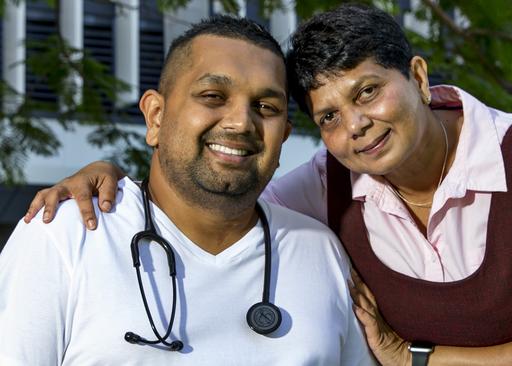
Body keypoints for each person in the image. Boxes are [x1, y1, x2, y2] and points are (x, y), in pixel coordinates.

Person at [23, 4, 512, 366]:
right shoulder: (324, 195)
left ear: (418, 75)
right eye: (329, 117)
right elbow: (212, 191)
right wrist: (108, 180)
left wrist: (408, 358)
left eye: (367, 92)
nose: (356, 125)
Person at [0, 15, 374, 366]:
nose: (242, 122)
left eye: (265, 106)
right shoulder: (67, 235)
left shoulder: (319, 250)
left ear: (284, 137)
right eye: (213, 96)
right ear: (156, 117)